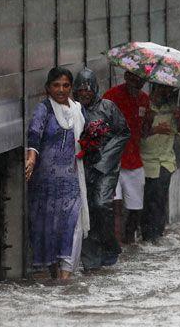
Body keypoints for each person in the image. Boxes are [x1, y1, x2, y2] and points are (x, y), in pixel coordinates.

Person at [25, 67, 88, 280]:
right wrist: (31, 158)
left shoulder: (78, 110)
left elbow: (87, 139)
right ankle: (53, 283)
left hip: (72, 183)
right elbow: (34, 134)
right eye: (56, 85)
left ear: (71, 87)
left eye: (66, 85)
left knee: (73, 227)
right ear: (47, 88)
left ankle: (65, 280)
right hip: (46, 185)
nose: (61, 90)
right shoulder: (43, 110)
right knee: (48, 229)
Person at [74, 68, 130, 270]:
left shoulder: (108, 107)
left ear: (95, 89)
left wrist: (104, 160)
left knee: (100, 205)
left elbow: (123, 133)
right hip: (83, 166)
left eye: (88, 89)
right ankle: (90, 259)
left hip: (106, 167)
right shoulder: (74, 110)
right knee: (86, 210)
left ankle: (109, 246)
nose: (85, 93)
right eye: (80, 90)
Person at [103, 71, 151, 244]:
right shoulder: (111, 96)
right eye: (134, 78)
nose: (137, 82)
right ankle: (115, 245)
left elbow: (144, 134)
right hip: (113, 160)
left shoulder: (145, 100)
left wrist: (149, 122)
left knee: (135, 207)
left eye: (141, 79)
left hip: (134, 161)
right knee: (115, 205)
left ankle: (129, 241)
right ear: (126, 76)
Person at [140, 84, 180, 242]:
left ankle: (157, 234)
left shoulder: (172, 108)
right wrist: (152, 124)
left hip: (165, 161)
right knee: (148, 199)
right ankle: (147, 235)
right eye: (162, 89)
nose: (166, 92)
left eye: (168, 90)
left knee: (159, 198)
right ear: (155, 89)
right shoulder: (144, 106)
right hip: (146, 161)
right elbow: (139, 133)